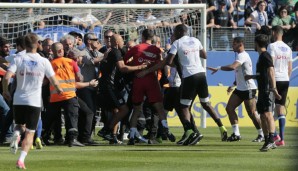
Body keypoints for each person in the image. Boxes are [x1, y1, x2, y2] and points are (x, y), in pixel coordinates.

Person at [137, 24, 228, 145]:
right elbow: (205, 55)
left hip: (187, 78)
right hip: (201, 74)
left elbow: (168, 62)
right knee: (205, 103)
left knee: (183, 107)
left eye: (174, 32)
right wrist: (191, 54)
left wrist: (177, 60)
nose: (172, 35)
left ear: (179, 32)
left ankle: (190, 132)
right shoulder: (195, 40)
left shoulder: (177, 44)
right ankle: (221, 127)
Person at [2, 33, 62, 169]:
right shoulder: (43, 61)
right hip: (34, 101)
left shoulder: (19, 58)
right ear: (37, 44)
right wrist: (59, 90)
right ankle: (21, 160)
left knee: (19, 125)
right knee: (30, 132)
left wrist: (5, 91)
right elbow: (54, 81)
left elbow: (6, 77)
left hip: (18, 99)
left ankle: (16, 134)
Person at [124, 29, 175, 145]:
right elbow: (160, 64)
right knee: (159, 108)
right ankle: (165, 128)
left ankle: (132, 135)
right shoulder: (157, 50)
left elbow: (125, 61)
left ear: (142, 36)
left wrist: (137, 66)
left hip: (138, 80)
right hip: (152, 80)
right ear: (152, 38)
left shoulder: (136, 48)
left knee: (136, 109)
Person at [207, 37, 264, 142]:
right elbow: (240, 74)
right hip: (240, 89)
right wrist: (233, 85)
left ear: (240, 44)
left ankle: (262, 134)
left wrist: (218, 68)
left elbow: (233, 67)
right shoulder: (239, 56)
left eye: (234, 44)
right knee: (229, 108)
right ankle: (236, 134)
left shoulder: (243, 55)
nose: (232, 46)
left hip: (249, 89)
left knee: (251, 113)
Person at [43, 42, 84, 147]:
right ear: (61, 50)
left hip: (55, 96)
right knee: (72, 117)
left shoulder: (50, 64)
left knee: (50, 119)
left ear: (53, 51)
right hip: (69, 95)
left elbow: (45, 81)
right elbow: (79, 77)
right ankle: (72, 139)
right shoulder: (70, 62)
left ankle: (42, 137)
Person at [245, 34, 281, 152]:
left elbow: (271, 71)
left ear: (257, 43)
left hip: (267, 90)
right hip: (262, 89)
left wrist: (273, 88)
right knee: (262, 115)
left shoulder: (266, 56)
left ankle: (271, 139)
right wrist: (252, 76)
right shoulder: (261, 57)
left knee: (268, 114)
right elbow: (263, 74)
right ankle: (267, 139)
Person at [267, 25, 293, 146]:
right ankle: (281, 139)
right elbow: (290, 68)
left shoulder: (271, 46)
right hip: (285, 79)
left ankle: (275, 134)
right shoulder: (288, 48)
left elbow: (270, 65)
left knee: (267, 109)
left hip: (275, 79)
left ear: (274, 33)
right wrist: (286, 77)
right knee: (281, 109)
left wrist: (271, 82)